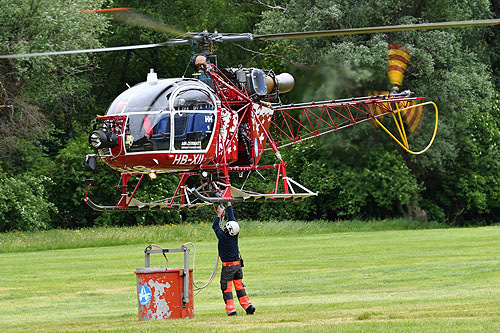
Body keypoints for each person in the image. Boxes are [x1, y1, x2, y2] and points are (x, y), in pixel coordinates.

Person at [212, 202, 255, 316]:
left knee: (226, 288)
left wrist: (219, 214)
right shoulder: (235, 234)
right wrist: (229, 205)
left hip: (228, 268)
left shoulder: (222, 236)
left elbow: (214, 226)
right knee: (239, 286)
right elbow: (232, 219)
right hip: (237, 267)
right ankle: (248, 306)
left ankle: (231, 310)